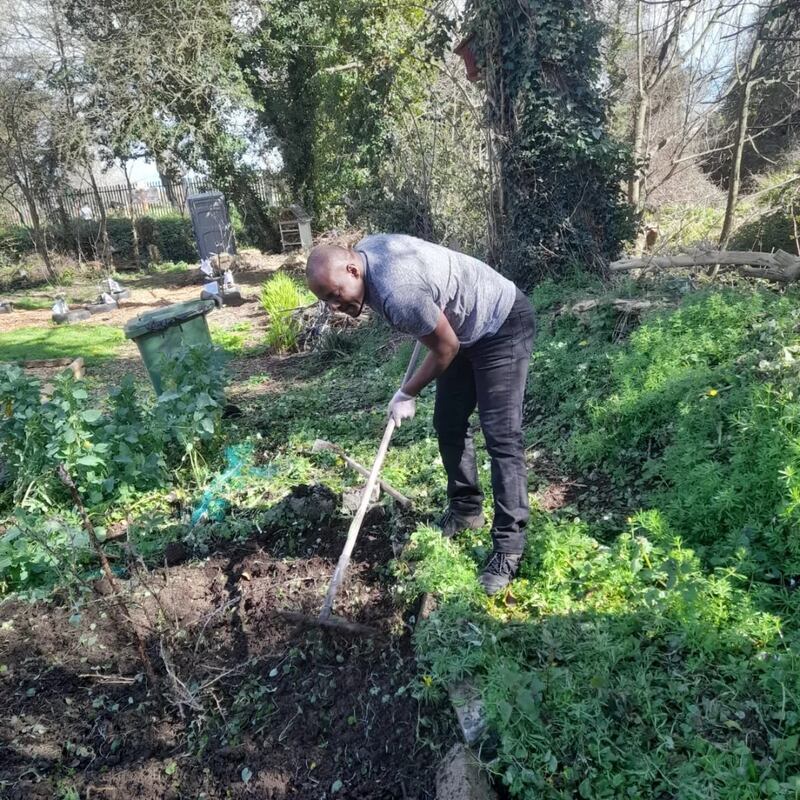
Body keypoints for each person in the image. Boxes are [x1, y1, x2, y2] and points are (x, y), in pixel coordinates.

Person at [305, 234, 536, 594]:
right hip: (462, 328)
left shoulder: (398, 293)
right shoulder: (368, 254)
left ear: (353, 268)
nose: (335, 306)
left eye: (336, 294)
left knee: (502, 437)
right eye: (326, 301)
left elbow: (446, 348)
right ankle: (466, 510)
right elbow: (442, 330)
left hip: (500, 323)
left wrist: (407, 391)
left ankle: (509, 547)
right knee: (448, 422)